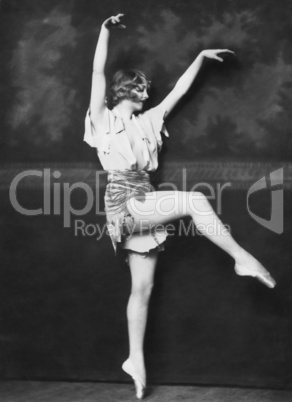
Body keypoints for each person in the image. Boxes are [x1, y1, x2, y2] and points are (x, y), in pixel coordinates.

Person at [84, 13, 276, 400]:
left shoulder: (150, 121)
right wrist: (104, 31)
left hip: (144, 202)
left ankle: (134, 361)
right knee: (194, 201)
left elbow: (179, 93)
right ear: (124, 90)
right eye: (139, 86)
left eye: (146, 87)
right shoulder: (102, 120)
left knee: (143, 288)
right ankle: (241, 258)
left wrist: (201, 57)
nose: (146, 90)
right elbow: (97, 72)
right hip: (125, 203)